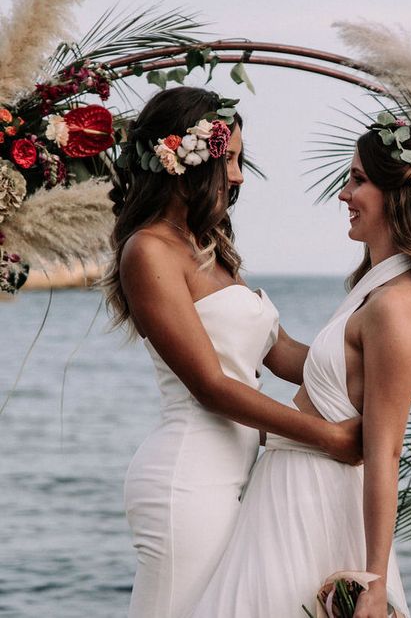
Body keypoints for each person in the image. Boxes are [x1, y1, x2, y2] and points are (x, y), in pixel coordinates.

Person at [191, 116, 411, 617]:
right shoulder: (375, 289)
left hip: (314, 500)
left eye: (358, 180)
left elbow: (385, 452)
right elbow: (305, 366)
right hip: (287, 491)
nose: (344, 194)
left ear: (401, 193)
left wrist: (373, 577)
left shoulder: (397, 305)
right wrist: (227, 307)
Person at [103, 87, 361, 618]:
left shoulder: (210, 248)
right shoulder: (147, 251)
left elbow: (282, 352)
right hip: (187, 479)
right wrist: (331, 437)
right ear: (187, 161)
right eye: (232, 160)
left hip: (236, 474)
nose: (240, 177)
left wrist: (379, 360)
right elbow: (212, 387)